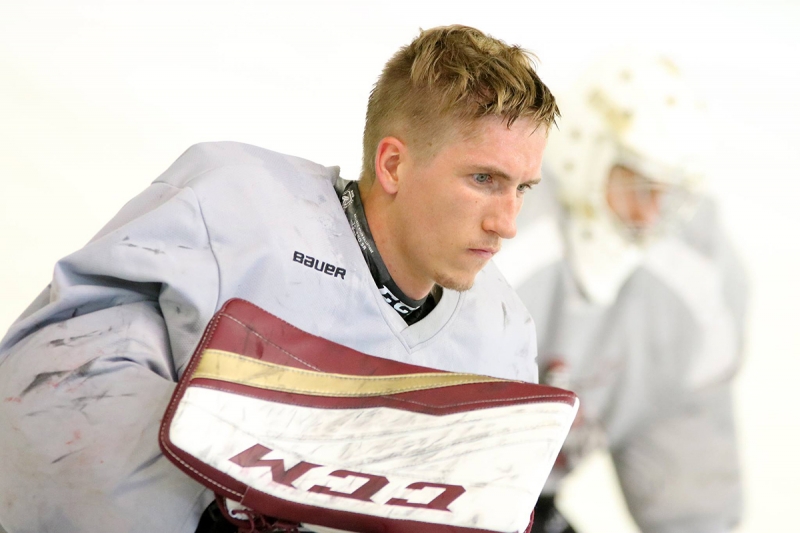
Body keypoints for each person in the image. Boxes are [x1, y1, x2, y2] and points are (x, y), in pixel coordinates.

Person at [0, 25, 559, 533]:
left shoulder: (504, 338)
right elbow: (51, 394)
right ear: (393, 165)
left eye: (523, 188)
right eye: (484, 179)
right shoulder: (233, 208)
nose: (506, 223)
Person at [494, 52, 748, 533]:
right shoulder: (500, 238)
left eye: (668, 195)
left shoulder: (696, 284)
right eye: (639, 186)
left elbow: (690, 499)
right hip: (432, 500)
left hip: (530, 504)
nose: (651, 218)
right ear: (586, 155)